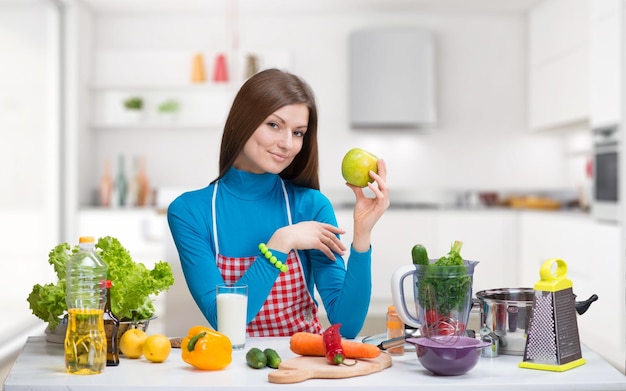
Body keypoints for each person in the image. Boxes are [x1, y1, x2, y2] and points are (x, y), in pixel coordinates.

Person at [167, 68, 389, 339]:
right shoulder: (190, 212)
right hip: (233, 373)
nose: (287, 144)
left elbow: (348, 325)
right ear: (241, 122)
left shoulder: (310, 205)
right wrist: (282, 242)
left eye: (298, 133)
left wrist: (362, 235)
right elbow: (225, 322)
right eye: (274, 125)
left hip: (304, 367)